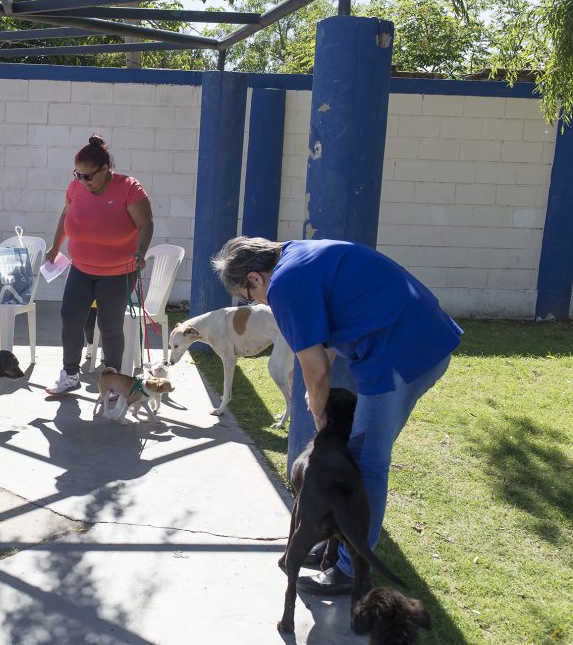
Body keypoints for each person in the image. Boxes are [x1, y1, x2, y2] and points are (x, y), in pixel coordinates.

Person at [211, 236, 462, 595]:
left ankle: (350, 569)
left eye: (250, 296)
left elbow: (315, 370)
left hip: (404, 350)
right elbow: (323, 347)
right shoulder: (296, 254)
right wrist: (319, 399)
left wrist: (317, 411)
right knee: (354, 452)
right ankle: (335, 544)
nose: (257, 303)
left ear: (254, 278)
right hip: (414, 334)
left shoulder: (284, 285)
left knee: (367, 460)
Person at [44, 134, 154, 394]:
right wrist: (56, 245)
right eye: (78, 175)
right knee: (70, 317)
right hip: (81, 268)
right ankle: (70, 374)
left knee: (109, 324)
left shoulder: (129, 187)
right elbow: (65, 214)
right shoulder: (76, 188)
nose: (83, 181)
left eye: (88, 176)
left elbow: (145, 223)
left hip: (119, 272)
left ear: (105, 169)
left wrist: (140, 251)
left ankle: (114, 382)